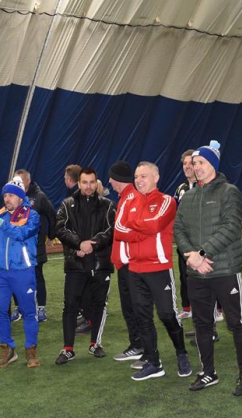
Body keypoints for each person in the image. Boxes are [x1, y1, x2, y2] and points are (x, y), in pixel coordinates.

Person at [174, 141, 242, 394]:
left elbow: (230, 228)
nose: (196, 167)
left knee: (236, 322)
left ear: (213, 165)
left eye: (201, 162)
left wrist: (201, 254)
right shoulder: (188, 196)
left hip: (224, 270)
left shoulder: (229, 192)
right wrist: (192, 257)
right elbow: (178, 229)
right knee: (202, 324)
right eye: (194, 163)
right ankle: (208, 372)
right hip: (196, 273)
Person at [117, 162, 191, 381]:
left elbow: (155, 224)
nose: (138, 180)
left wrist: (134, 225)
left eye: (144, 176)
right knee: (142, 317)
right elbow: (119, 230)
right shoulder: (129, 201)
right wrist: (142, 229)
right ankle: (154, 362)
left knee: (167, 315)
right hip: (135, 268)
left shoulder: (166, 200)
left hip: (159, 268)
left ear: (156, 177)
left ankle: (181, 353)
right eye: (136, 177)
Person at [55, 167, 115, 363]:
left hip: (100, 264)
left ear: (96, 183)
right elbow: (60, 229)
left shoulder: (108, 205)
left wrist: (92, 245)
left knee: (99, 304)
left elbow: (112, 230)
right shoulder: (67, 204)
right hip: (76, 264)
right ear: (79, 183)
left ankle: (95, 344)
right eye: (84, 182)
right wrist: (78, 245)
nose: (88, 186)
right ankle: (68, 349)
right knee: (70, 305)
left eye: (92, 182)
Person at [0, 178, 41, 368]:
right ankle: (7, 349)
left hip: (23, 271)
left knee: (29, 312)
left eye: (11, 195)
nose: (7, 199)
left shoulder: (32, 215)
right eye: (5, 195)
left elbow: (20, 234)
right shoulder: (0, 215)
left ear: (21, 198)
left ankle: (31, 351)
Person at [107, 161, 145, 364]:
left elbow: (130, 229)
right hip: (125, 262)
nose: (109, 181)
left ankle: (143, 347)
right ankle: (137, 344)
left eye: (111, 177)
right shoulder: (125, 198)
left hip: (131, 262)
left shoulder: (132, 198)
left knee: (136, 307)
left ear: (118, 179)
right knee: (129, 307)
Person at [15, 169, 56, 322]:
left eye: (20, 180)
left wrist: (51, 235)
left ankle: (41, 309)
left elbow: (52, 215)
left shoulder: (40, 197)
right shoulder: (13, 196)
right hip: (17, 246)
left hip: (36, 245)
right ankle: (19, 307)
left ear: (27, 181)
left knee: (37, 276)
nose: (17, 183)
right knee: (16, 277)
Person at [173, 149, 196, 320]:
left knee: (205, 276)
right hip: (183, 241)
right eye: (184, 163)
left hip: (200, 240)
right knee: (184, 275)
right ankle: (187, 308)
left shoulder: (205, 186)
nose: (187, 166)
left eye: (191, 163)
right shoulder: (181, 188)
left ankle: (217, 309)